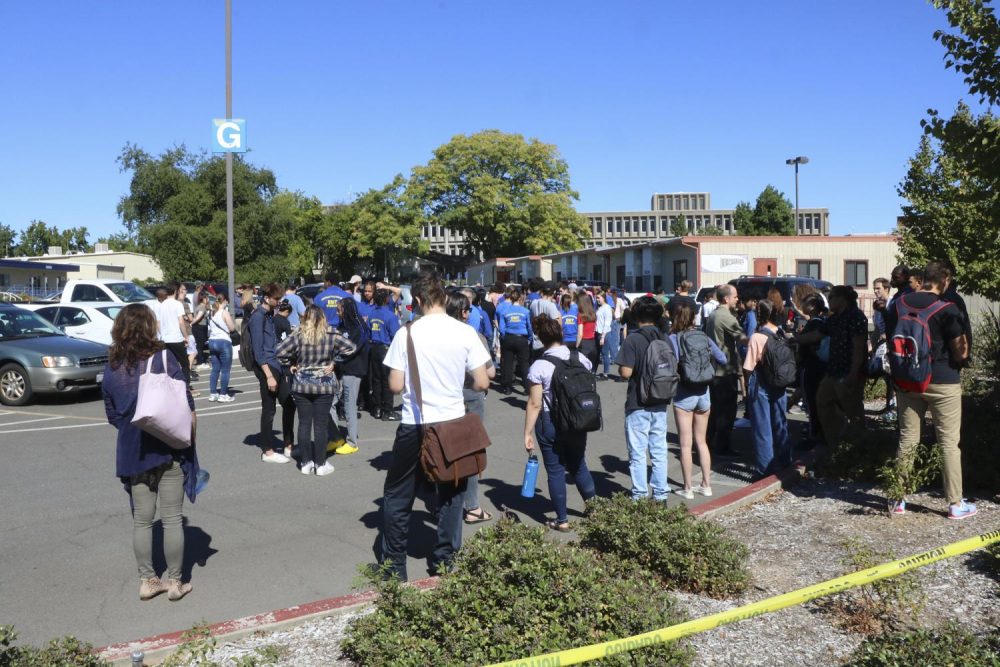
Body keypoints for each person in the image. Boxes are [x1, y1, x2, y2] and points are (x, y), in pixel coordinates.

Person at [378, 271, 491, 581]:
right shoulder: (465, 332)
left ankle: (394, 567)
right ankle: (444, 561)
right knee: (452, 494)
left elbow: (396, 385)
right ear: (444, 296)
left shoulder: (407, 333)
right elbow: (482, 381)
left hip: (416, 423)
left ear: (416, 300)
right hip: (452, 422)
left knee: (398, 495)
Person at [102, 304, 198, 602]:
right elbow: (186, 405)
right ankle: (175, 582)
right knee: (172, 519)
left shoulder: (112, 365)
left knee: (143, 520)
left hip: (133, 449)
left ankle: (147, 580)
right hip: (167, 446)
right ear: (150, 327)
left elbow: (113, 415)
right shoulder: (165, 357)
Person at [884, 261, 975, 519]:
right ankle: (955, 504)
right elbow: (961, 351)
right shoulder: (948, 309)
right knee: (948, 442)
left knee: (908, 439)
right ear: (944, 280)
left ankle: (898, 499)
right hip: (942, 381)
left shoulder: (899, 304)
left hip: (907, 380)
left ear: (923, 279)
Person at [524, 315, 597, 531]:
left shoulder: (539, 366)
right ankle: (595, 510)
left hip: (550, 421)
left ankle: (562, 519)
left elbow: (535, 403)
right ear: (561, 334)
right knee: (578, 464)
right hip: (577, 419)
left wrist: (527, 432)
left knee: (555, 470)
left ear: (540, 338)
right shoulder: (581, 359)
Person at [277, 305, 358, 476]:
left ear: (305, 317)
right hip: (324, 383)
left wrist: (291, 364)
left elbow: (279, 352)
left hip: (301, 384)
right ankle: (321, 464)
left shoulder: (298, 334)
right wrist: (334, 362)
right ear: (322, 317)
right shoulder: (331, 334)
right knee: (320, 425)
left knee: (304, 424)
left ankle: (306, 463)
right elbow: (351, 347)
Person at [615, 296, 671, 502]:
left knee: (637, 453)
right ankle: (660, 494)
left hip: (638, 401)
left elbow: (626, 373)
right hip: (661, 399)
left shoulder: (633, 339)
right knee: (659, 450)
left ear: (637, 316)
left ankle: (639, 495)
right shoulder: (664, 338)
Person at [446, 292, 496, 525]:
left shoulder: (437, 336)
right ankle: (472, 506)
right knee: (472, 451)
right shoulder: (473, 336)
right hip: (471, 395)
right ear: (464, 312)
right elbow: (490, 372)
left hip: (445, 396)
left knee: (447, 449)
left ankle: (445, 504)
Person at [799, 285, 868, 450]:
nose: (828, 302)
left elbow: (859, 347)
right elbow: (817, 335)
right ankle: (835, 444)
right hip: (833, 370)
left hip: (848, 372)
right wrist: (795, 339)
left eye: (831, 298)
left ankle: (862, 449)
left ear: (842, 298)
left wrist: (853, 373)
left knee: (854, 412)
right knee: (822, 402)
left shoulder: (856, 317)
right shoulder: (834, 318)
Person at [669, 302, 726, 498]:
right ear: (693, 317)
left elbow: (672, 363)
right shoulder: (703, 336)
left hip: (684, 393)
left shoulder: (673, 338)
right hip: (704, 392)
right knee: (702, 442)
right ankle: (706, 485)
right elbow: (723, 359)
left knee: (686, 444)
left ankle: (687, 488)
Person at [743, 300, 792, 477]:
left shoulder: (757, 337)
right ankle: (786, 461)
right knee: (780, 423)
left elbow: (748, 366)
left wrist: (746, 388)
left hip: (761, 384)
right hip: (779, 383)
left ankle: (765, 469)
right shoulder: (780, 333)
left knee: (762, 427)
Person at [249, 283, 295, 463]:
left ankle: (288, 445)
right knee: (268, 410)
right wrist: (268, 375)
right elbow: (258, 350)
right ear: (267, 298)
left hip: (277, 365)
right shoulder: (258, 317)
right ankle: (267, 451)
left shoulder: (269, 315)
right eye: (277, 299)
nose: (279, 302)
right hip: (267, 368)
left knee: (289, 403)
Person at [705, 285, 747, 458]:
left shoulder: (714, 314)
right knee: (726, 411)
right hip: (725, 369)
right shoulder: (725, 316)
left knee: (714, 409)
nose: (737, 299)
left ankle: (709, 442)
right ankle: (722, 446)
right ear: (726, 299)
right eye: (735, 296)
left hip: (714, 368)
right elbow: (743, 339)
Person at [332, 297, 369, 455]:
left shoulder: (358, 327)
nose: (337, 312)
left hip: (353, 371)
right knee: (333, 402)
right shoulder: (343, 325)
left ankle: (352, 442)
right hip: (340, 370)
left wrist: (334, 360)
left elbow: (351, 349)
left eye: (339, 309)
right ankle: (335, 438)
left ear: (346, 309)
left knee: (349, 405)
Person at [797, 294, 829, 447]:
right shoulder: (818, 322)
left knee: (812, 401)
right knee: (814, 401)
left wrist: (796, 339)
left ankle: (814, 435)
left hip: (811, 365)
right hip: (817, 366)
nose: (803, 305)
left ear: (814, 307)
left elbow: (812, 341)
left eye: (806, 303)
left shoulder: (815, 323)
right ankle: (817, 432)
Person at [368, 288, 401, 421]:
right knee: (387, 381)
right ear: (386, 299)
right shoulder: (390, 316)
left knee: (376, 379)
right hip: (385, 349)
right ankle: (387, 410)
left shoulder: (372, 314)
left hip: (374, 348)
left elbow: (368, 330)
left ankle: (377, 408)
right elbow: (396, 335)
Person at [158, 283, 195, 392]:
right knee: (184, 363)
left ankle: (171, 387)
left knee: (169, 364)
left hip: (165, 339)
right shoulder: (177, 304)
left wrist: (163, 334)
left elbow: (158, 323)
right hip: (176, 338)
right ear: (175, 291)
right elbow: (181, 322)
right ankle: (186, 387)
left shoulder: (162, 304)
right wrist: (186, 336)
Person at [498, 289, 532, 395]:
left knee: (508, 363)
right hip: (522, 338)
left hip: (508, 337)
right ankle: (527, 387)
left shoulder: (505, 312)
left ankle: (507, 387)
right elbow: (529, 327)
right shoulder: (525, 311)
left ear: (511, 298)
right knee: (524, 364)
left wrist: (504, 337)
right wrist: (530, 338)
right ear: (520, 298)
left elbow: (501, 328)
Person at [207, 292, 237, 403]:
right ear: (225, 301)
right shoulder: (224, 312)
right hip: (224, 342)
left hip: (212, 341)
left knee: (215, 369)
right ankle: (223, 394)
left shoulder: (211, 312)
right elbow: (232, 328)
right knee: (225, 370)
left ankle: (213, 393)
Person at [528, 282, 561, 361]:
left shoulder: (533, 303)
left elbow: (531, 319)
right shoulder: (551, 305)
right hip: (548, 342)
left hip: (536, 341)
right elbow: (557, 324)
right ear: (553, 293)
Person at [576, 292, 599, 371]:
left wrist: (576, 346)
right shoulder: (593, 314)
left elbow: (580, 334)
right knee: (590, 367)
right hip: (592, 343)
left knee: (582, 368)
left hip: (584, 343)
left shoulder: (580, 315)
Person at [595, 292, 614, 380]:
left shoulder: (607, 308)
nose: (597, 299)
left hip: (605, 333)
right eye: (596, 298)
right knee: (599, 353)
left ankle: (606, 374)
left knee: (605, 354)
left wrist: (602, 337)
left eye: (599, 298)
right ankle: (595, 371)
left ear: (603, 298)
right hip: (598, 333)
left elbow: (607, 323)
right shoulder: (600, 307)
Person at [192, 292, 210, 369]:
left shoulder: (200, 306)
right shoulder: (202, 307)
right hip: (199, 327)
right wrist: (191, 323)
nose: (208, 299)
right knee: (200, 346)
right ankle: (201, 362)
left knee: (200, 345)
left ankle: (200, 361)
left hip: (199, 327)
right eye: (207, 298)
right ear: (203, 299)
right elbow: (198, 317)